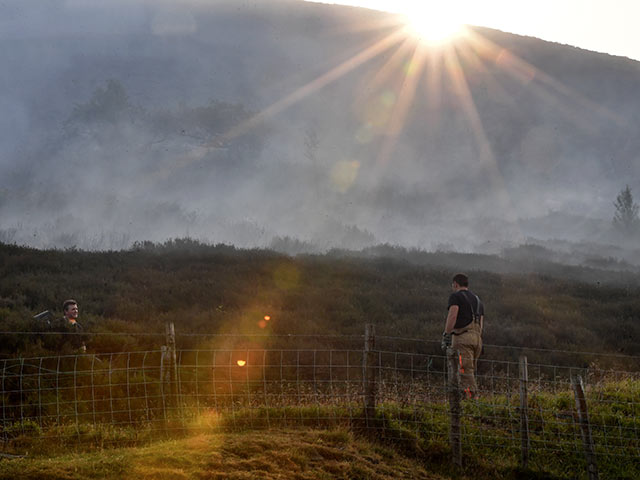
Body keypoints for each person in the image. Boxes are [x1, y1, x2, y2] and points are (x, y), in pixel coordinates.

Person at [441, 273, 483, 398]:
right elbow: (481, 323)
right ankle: (469, 400)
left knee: (464, 372)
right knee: (470, 371)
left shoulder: (455, 296)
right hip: (477, 338)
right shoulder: (477, 300)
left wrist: (446, 335)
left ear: (455, 284)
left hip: (463, 338)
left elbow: (452, 315)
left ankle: (471, 403)